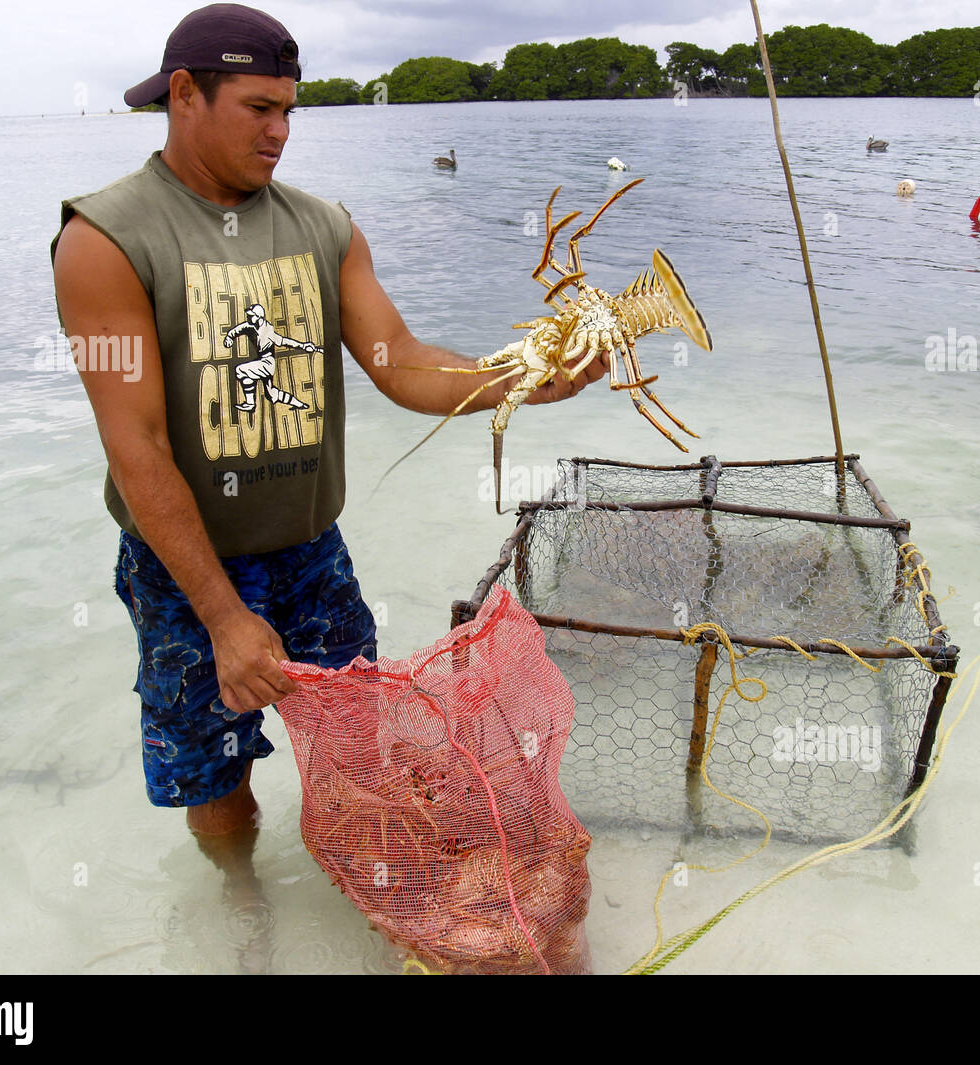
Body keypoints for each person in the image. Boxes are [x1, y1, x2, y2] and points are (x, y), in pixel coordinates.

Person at [50, 4, 606, 850]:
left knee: (359, 754)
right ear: (185, 94)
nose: (279, 132)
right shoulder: (107, 241)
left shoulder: (323, 227)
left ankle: (370, 890)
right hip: (186, 574)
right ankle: (244, 916)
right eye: (258, 109)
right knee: (216, 774)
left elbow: (401, 361)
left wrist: (523, 382)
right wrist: (224, 615)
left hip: (313, 554)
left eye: (288, 111)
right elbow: (137, 447)